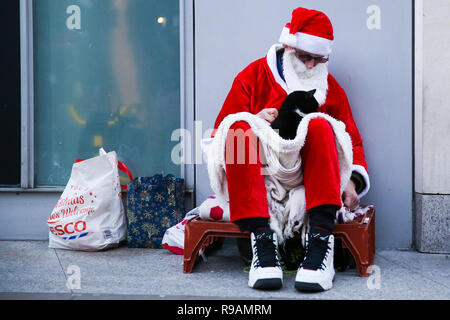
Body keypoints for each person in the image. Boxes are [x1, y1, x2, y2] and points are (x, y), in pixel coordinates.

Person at [211, 7, 370, 292]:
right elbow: (221, 134)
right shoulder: (253, 76)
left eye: (318, 59)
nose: (311, 66)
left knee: (321, 124)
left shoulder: (330, 88)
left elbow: (352, 142)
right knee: (238, 128)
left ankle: (321, 242)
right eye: (305, 57)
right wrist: (254, 121)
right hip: (263, 175)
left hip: (308, 180)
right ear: (288, 47)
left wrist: (351, 181)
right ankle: (262, 242)